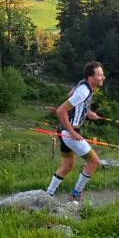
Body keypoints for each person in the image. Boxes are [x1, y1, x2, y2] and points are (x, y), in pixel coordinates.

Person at [46, 61, 106, 201]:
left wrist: (88, 112)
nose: (103, 78)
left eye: (102, 75)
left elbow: (71, 96)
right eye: (100, 75)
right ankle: (76, 194)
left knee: (67, 166)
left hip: (63, 130)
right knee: (94, 162)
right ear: (91, 77)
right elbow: (61, 111)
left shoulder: (83, 84)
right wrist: (72, 132)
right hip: (69, 132)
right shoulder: (84, 91)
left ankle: (47, 195)